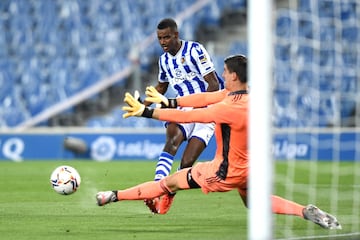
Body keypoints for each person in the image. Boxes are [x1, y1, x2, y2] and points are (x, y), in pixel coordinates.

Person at [96, 55, 341, 230]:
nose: (221, 74)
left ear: (233, 76)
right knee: (254, 202)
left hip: (224, 172)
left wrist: (146, 112)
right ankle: (304, 211)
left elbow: (190, 116)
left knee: (169, 181)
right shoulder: (247, 96)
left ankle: (112, 196)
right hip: (250, 168)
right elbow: (204, 97)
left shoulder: (227, 108)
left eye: (224, 71)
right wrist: (168, 101)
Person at [140, 18, 224, 213]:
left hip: (206, 110)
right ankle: (155, 190)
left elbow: (213, 83)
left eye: (167, 37)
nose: (163, 42)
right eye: (160, 38)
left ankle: (168, 194)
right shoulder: (163, 60)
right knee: (171, 141)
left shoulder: (195, 50)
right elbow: (161, 86)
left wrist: (200, 110)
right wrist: (141, 106)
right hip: (182, 108)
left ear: (176, 35)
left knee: (187, 162)